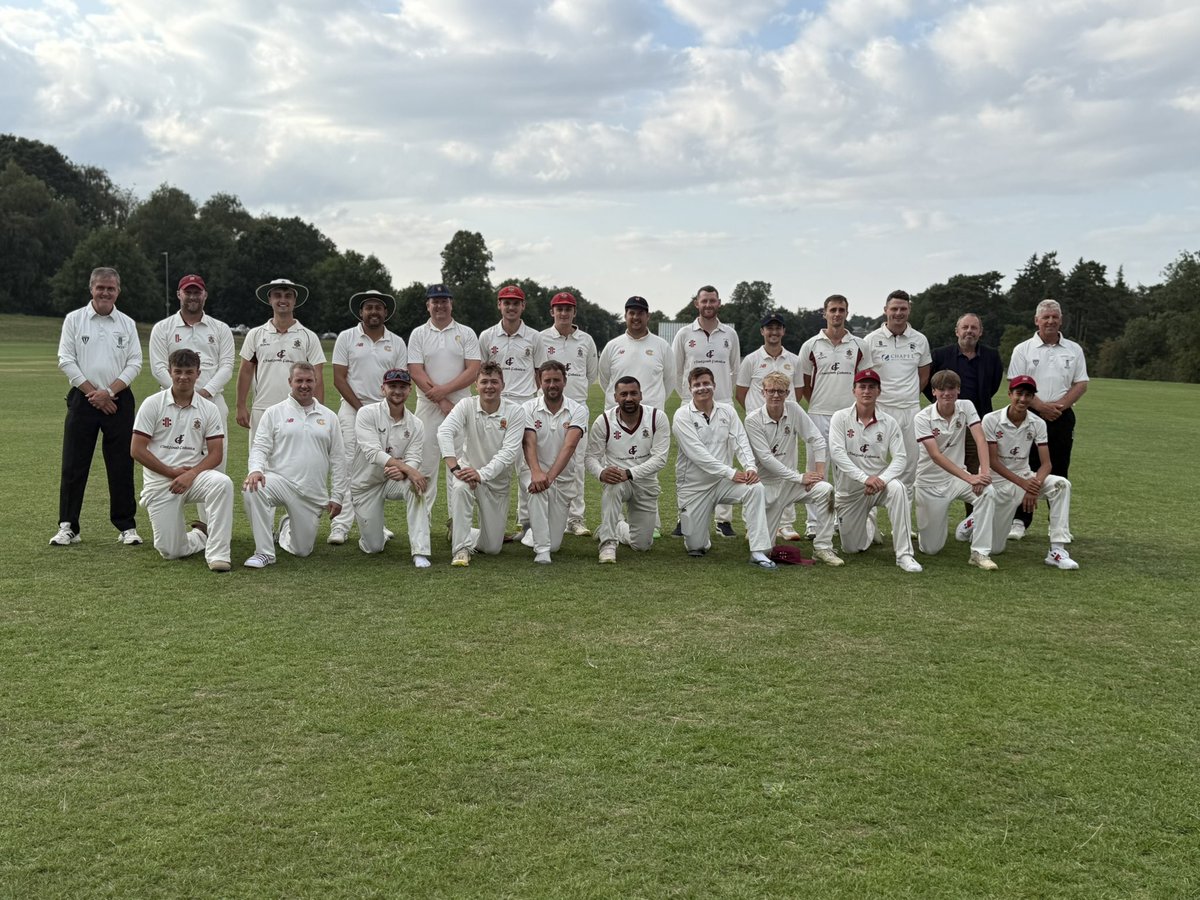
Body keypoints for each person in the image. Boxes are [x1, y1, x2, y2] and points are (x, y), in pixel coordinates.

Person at [52, 266, 143, 546]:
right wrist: (94, 393)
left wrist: (109, 392)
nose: (105, 292)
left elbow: (135, 362)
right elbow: (66, 359)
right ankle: (69, 527)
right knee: (74, 464)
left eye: (111, 288)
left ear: (118, 291)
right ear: (91, 288)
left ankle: (126, 526)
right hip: (83, 398)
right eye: (100, 287)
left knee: (121, 464)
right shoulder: (75, 319)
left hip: (119, 399)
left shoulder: (126, 323)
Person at [130, 349, 234, 572]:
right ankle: (200, 535)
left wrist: (191, 474)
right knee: (171, 551)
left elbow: (216, 453)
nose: (183, 377)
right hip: (161, 481)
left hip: (193, 478)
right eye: (178, 372)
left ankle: (218, 554)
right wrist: (171, 472)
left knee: (222, 483)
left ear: (198, 373)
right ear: (170, 372)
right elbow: (137, 450)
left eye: (189, 372)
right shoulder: (153, 403)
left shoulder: (209, 408)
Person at [148, 274, 236, 527]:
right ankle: (170, 522)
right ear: (179, 295)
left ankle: (213, 527)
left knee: (214, 463)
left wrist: (203, 395)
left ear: (205, 295)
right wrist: (183, 395)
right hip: (172, 406)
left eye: (197, 292)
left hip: (212, 404)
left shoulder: (220, 329)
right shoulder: (163, 328)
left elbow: (227, 366)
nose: (193, 296)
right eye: (188, 292)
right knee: (174, 458)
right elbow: (158, 368)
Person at [241, 362, 347, 568]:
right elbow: (260, 446)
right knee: (252, 487)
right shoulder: (274, 413)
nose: (304, 385)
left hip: (311, 493)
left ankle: (286, 525)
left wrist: (337, 496)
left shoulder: (329, 417)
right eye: (299, 380)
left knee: (302, 550)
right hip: (280, 482)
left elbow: (338, 459)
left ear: (316, 382)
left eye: (309, 380)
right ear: (290, 382)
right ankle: (264, 552)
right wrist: (255, 470)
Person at [671, 367, 777, 570]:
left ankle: (758, 551)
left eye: (706, 383)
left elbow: (740, 440)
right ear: (690, 389)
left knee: (755, 488)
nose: (702, 388)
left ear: (714, 386)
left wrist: (750, 468)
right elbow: (698, 455)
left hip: (722, 483)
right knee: (696, 546)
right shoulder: (682, 415)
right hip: (694, 487)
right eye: (697, 385)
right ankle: (700, 534)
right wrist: (731, 472)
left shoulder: (727, 411)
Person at [328, 290, 408, 545]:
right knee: (349, 462)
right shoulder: (346, 337)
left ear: (385, 313)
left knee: (380, 466)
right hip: (353, 409)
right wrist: (361, 408)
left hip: (385, 411)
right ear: (361, 312)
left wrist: (382, 409)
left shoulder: (396, 342)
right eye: (369, 308)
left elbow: (400, 382)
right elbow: (339, 377)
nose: (373, 312)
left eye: (378, 308)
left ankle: (374, 525)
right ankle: (340, 525)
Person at [974, 375, 1079, 569]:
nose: (1023, 399)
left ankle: (1057, 549)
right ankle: (975, 521)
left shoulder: (1037, 423)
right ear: (1010, 394)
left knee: (1061, 485)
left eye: (1028, 395)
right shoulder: (991, 419)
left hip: (1024, 478)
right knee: (996, 548)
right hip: (996, 482)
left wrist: (1033, 487)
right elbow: (993, 462)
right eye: (1019, 394)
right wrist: (1024, 485)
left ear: (1032, 398)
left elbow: (1046, 464)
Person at [1005, 299, 1088, 541]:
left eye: (1054, 317)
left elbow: (1081, 383)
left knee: (1060, 468)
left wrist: (1058, 408)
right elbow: (1015, 383)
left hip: (1062, 417)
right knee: (1024, 466)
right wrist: (1041, 407)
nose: (1050, 321)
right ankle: (1020, 521)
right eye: (1046, 317)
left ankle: (1058, 526)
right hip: (1028, 415)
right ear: (1036, 320)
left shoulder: (1074, 349)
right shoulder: (1023, 349)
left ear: (1061, 320)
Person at [828, 369, 923, 573]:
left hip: (879, 486)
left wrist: (881, 479)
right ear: (854, 390)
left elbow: (900, 458)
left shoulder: (889, 422)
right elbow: (837, 454)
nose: (866, 391)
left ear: (879, 391)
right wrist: (864, 478)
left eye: (872, 387)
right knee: (852, 548)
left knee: (898, 488)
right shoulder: (840, 418)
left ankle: (904, 555)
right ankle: (869, 521)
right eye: (862, 386)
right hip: (850, 492)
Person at [743, 373, 843, 566]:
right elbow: (766, 459)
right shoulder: (752, 420)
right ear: (763, 392)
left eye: (780, 391)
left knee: (826, 490)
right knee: (764, 551)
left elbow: (817, 439)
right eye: (770, 391)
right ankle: (759, 532)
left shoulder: (794, 409)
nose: (775, 395)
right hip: (766, 487)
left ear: (787, 393)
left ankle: (823, 547)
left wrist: (819, 474)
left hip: (791, 484)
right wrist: (799, 477)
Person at [597, 296, 676, 535]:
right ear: (625, 315)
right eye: (631, 312)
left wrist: (649, 405)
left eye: (640, 312)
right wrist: (623, 401)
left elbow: (669, 381)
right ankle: (614, 523)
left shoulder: (662, 346)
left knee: (649, 466)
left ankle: (652, 522)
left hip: (651, 418)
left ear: (648, 316)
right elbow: (605, 380)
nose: (636, 317)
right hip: (618, 417)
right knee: (615, 467)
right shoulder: (613, 345)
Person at [438, 362, 527, 566]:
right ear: (476, 386)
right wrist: (454, 468)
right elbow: (444, 431)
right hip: (467, 475)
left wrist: (482, 474)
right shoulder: (466, 405)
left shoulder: (515, 412)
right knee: (459, 488)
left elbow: (509, 453)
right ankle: (461, 550)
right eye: (484, 382)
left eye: (494, 382)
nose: (489, 386)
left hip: (495, 482)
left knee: (492, 548)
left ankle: (460, 528)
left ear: (502, 385)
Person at [477, 284, 547, 538]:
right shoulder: (486, 336)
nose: (511, 307)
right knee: (491, 465)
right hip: (496, 405)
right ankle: (489, 525)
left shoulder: (535, 337)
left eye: (515, 303)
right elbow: (484, 373)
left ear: (523, 306)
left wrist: (535, 403)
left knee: (526, 467)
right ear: (499, 305)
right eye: (506, 302)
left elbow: (539, 373)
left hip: (525, 405)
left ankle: (527, 525)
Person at [672, 285, 741, 537]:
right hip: (690, 406)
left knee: (725, 460)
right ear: (696, 304)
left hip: (723, 404)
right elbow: (676, 370)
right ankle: (685, 515)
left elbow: (735, 369)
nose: (708, 305)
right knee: (689, 461)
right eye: (704, 301)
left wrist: (723, 400)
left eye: (712, 301)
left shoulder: (730, 334)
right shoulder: (683, 333)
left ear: (719, 303)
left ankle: (723, 520)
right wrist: (686, 401)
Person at [913, 369, 999, 570]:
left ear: (958, 390)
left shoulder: (966, 406)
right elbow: (936, 456)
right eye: (941, 389)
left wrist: (983, 474)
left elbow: (979, 437)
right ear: (933, 392)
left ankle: (979, 552)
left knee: (988, 492)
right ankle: (965, 525)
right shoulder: (922, 418)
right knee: (931, 548)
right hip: (929, 484)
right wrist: (970, 479)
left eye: (951, 389)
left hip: (957, 479)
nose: (947, 394)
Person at [798, 294, 868, 539]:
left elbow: (864, 381)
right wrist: (818, 402)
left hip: (849, 417)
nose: (837, 314)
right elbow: (804, 384)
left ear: (847, 312)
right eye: (833, 310)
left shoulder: (860, 345)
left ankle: (842, 520)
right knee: (817, 470)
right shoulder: (811, 345)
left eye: (841, 310)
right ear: (824, 313)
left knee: (847, 469)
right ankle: (813, 524)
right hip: (818, 414)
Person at [407, 284, 482, 512]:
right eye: (435, 301)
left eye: (444, 301)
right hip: (428, 407)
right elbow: (416, 370)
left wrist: (446, 391)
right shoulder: (418, 333)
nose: (440, 305)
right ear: (428, 305)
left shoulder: (466, 332)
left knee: (459, 466)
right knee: (426, 465)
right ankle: (423, 523)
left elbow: (473, 369)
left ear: (451, 304)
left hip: (460, 406)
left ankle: (455, 522)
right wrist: (440, 399)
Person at [350, 368, 431, 566]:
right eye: (392, 386)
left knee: (416, 486)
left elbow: (414, 457)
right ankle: (378, 532)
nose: (397, 391)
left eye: (402, 387)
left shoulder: (416, 424)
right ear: (382, 389)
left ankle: (420, 551)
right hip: (365, 484)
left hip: (395, 480)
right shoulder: (366, 413)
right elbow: (373, 453)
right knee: (374, 547)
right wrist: (408, 469)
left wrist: (405, 471)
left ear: (409, 390)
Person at [585, 376, 670, 563]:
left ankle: (614, 527)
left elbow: (660, 459)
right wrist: (601, 473)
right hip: (618, 481)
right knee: (612, 483)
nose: (629, 398)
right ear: (615, 397)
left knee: (641, 546)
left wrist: (630, 473)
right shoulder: (604, 421)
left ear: (641, 395)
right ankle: (607, 544)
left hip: (645, 484)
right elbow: (591, 457)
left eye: (633, 393)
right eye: (623, 394)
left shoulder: (657, 417)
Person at [235, 277, 325, 447]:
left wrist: (318, 411)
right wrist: (241, 406)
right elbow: (246, 371)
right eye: (277, 295)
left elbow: (317, 376)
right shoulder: (255, 334)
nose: (283, 300)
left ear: (294, 300)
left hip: (299, 408)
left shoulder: (308, 336)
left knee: (296, 460)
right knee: (259, 461)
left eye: (288, 296)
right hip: (262, 408)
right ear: (270, 299)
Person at [925, 313, 1003, 510]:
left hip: (977, 421)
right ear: (957, 331)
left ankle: (973, 520)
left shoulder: (991, 355)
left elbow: (993, 385)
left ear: (980, 332)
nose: (969, 331)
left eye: (974, 328)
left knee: (975, 468)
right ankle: (936, 511)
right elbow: (929, 386)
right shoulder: (940, 355)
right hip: (945, 422)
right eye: (965, 327)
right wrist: (943, 407)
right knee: (941, 466)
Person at [540, 290, 598, 536]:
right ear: (552, 312)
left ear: (574, 312)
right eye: (559, 308)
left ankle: (575, 518)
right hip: (547, 409)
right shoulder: (541, 339)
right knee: (544, 461)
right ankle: (539, 515)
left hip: (577, 410)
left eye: (568, 309)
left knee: (576, 465)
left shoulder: (586, 340)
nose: (563, 313)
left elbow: (592, 374)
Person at [520, 361, 588, 564]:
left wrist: (549, 477)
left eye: (556, 380)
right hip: (532, 470)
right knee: (537, 488)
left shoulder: (578, 410)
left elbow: (570, 446)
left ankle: (535, 534)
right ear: (539, 382)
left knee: (555, 544)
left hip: (562, 477)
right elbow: (528, 442)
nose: (552, 385)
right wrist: (537, 472)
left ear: (565, 381)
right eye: (547, 380)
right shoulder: (527, 407)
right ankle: (541, 552)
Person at [863, 289, 930, 488]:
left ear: (909, 310)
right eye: (894, 308)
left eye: (903, 308)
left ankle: (903, 517)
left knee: (909, 466)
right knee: (873, 462)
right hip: (880, 409)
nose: (898, 313)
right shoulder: (871, 340)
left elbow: (924, 374)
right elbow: (865, 376)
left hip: (910, 410)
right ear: (886, 310)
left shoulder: (919, 340)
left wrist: (908, 395)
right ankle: (869, 518)